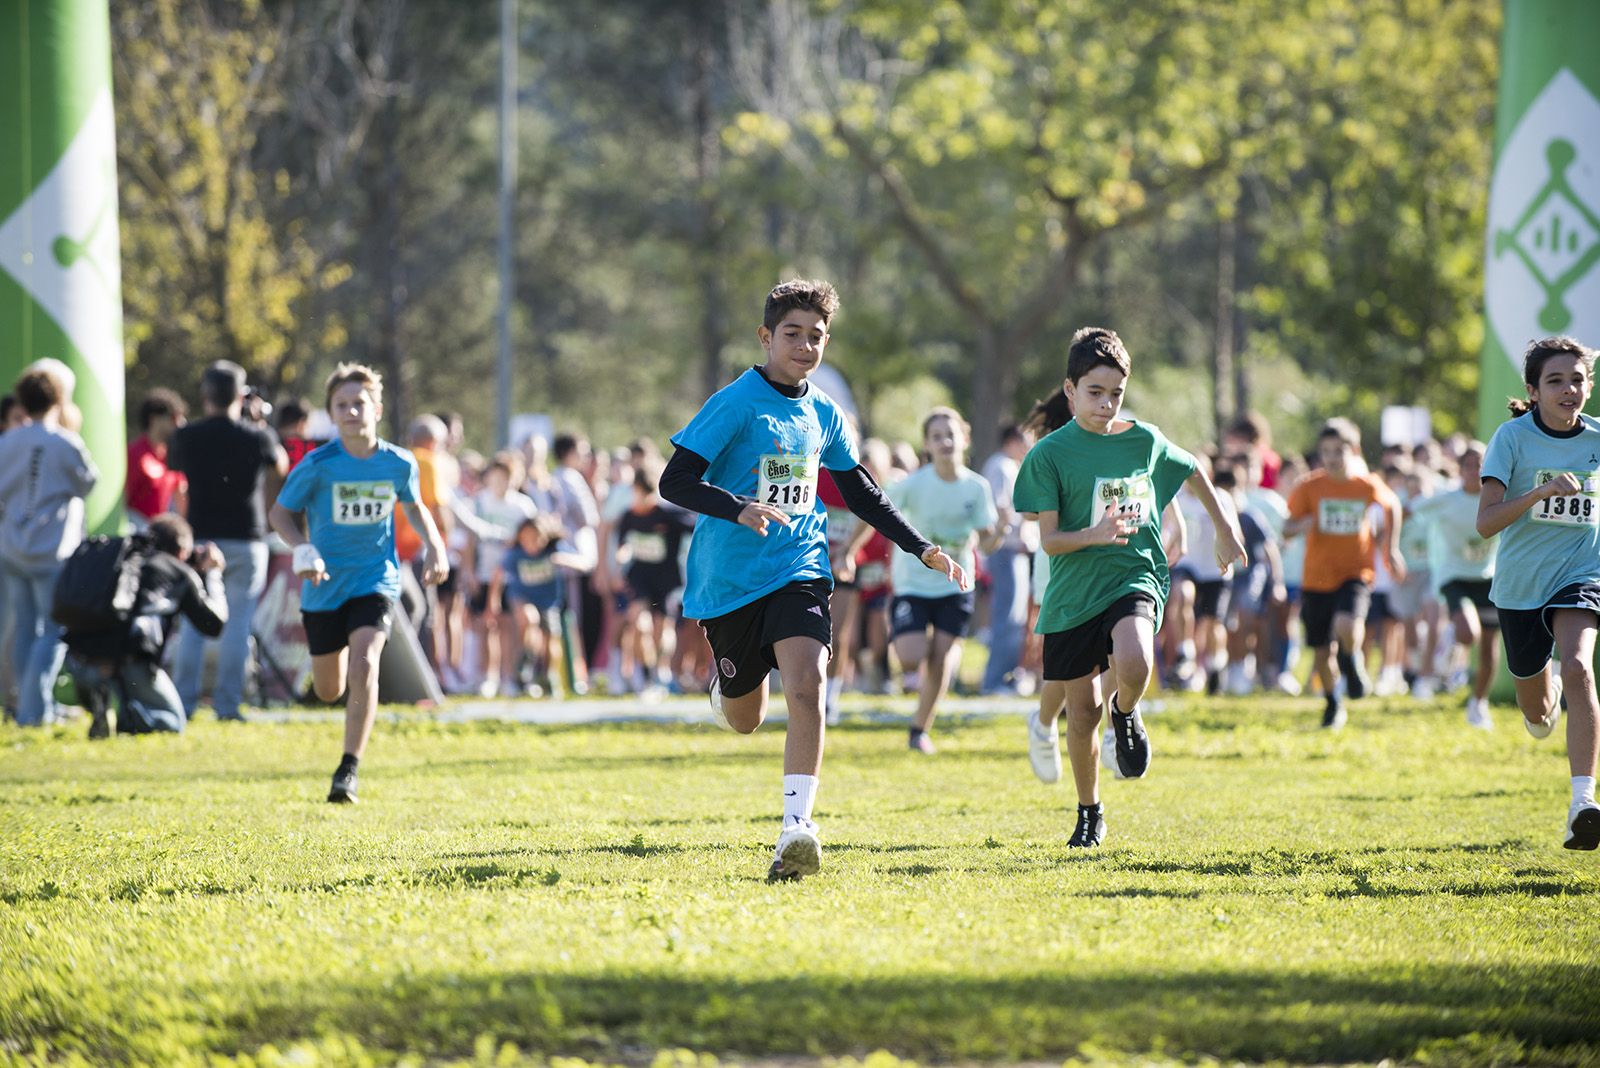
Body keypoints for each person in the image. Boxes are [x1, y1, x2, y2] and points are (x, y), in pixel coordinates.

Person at [659, 279, 965, 881]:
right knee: (747, 717)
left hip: (800, 566)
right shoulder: (735, 402)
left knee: (808, 684)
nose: (804, 346)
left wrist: (920, 546)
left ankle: (796, 828)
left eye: (816, 336)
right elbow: (676, 482)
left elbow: (861, 493)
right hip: (730, 580)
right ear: (766, 337)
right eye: (792, 334)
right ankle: (727, 691)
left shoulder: (825, 412)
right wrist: (739, 507)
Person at [1014, 327, 1244, 850]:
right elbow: (1048, 540)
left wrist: (1226, 528)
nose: (1106, 403)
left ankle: (1126, 713)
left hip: (1133, 573)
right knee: (1081, 714)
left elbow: (1194, 472)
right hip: (1073, 593)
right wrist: (1092, 534)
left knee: (1136, 658)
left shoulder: (1145, 439)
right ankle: (1090, 810)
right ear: (1069, 391)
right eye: (1095, 392)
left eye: (1116, 393)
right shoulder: (1049, 455)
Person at [269, 363, 448, 804]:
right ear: (331, 414)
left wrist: (435, 546)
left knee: (367, 663)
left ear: (377, 409)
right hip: (324, 584)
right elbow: (279, 514)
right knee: (330, 688)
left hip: (375, 579)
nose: (351, 412)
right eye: (342, 405)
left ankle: (348, 769)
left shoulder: (398, 462)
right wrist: (301, 548)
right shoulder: (317, 465)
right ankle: (335, 681)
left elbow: (415, 508)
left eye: (359, 404)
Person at [1476, 336, 1600, 849]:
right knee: (1537, 712)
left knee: (1578, 666)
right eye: (1556, 381)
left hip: (1582, 575)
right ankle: (1541, 702)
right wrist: (1542, 492)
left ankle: (1583, 803)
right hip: (1521, 586)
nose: (1569, 389)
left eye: (1578, 379)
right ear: (1533, 389)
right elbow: (1486, 524)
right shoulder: (1511, 439)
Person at [849, 406, 999, 753]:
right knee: (913, 657)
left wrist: (998, 532)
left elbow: (988, 541)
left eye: (951, 434)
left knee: (942, 658)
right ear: (926, 445)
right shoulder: (912, 485)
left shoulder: (977, 488)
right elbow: (874, 513)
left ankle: (920, 729)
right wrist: (847, 552)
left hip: (956, 584)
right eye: (936, 437)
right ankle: (934, 647)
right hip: (913, 583)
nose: (945, 441)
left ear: (964, 438)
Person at [169, 361, 289, 722]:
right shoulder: (257, 436)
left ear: (205, 396)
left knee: (193, 622)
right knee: (238, 625)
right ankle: (227, 704)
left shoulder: (187, 435)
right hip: (246, 538)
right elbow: (281, 466)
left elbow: (177, 476)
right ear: (240, 395)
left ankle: (182, 703)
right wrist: (259, 424)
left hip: (201, 537)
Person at [1284, 419, 1404, 729]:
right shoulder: (1310, 486)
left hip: (1356, 571)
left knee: (1347, 624)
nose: (1332, 457)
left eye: (1339, 450)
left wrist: (1390, 549)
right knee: (1322, 651)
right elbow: (1286, 529)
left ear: (1353, 451)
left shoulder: (1365, 484)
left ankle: (1352, 661)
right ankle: (1333, 702)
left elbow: (1393, 507)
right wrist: (1303, 525)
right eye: (1326, 451)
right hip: (1315, 578)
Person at [63, 514, 227, 737]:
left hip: (79, 659)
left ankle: (107, 704)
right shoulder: (177, 572)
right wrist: (213, 574)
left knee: (112, 680)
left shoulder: (122, 557)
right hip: (127, 664)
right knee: (172, 722)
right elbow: (214, 624)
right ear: (181, 550)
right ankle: (123, 715)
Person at [0, 370, 99, 726]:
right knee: (54, 630)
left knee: (24, 629)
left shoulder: (8, 441)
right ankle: (34, 709)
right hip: (52, 548)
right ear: (59, 400)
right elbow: (87, 483)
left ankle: (24, 706)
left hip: (12, 546)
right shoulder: (64, 442)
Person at [1411, 441, 1499, 727]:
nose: (1475, 471)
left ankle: (1478, 703)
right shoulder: (1446, 498)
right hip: (1454, 577)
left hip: (1487, 577)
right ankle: (1448, 646)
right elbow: (1410, 508)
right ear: (1459, 470)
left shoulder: (1499, 497)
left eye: (1481, 464)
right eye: (1469, 465)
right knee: (1467, 633)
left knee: (1488, 647)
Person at [616, 461, 694, 697]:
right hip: (640, 578)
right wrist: (620, 560)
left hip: (666, 581)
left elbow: (697, 525)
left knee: (663, 629)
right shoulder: (628, 517)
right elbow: (623, 545)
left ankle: (663, 673)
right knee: (639, 625)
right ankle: (649, 675)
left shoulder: (668, 516)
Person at [491, 515, 588, 696]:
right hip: (522, 597)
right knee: (529, 619)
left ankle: (550, 676)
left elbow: (585, 564)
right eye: (526, 538)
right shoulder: (515, 554)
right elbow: (498, 574)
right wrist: (493, 602)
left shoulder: (554, 550)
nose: (531, 544)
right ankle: (523, 668)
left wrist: (564, 559)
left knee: (551, 637)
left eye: (535, 539)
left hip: (549, 601)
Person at [980, 424, 1035, 696]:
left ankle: (1006, 676)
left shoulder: (1011, 466)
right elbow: (1003, 509)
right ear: (1012, 440)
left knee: (1017, 617)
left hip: (1017, 552)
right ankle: (994, 681)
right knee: (1007, 616)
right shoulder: (1000, 466)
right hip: (1006, 549)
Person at [125, 388, 188, 528]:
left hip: (160, 537)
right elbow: (123, 501)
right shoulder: (134, 454)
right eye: (173, 418)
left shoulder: (173, 457)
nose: (180, 424)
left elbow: (181, 499)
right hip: (137, 536)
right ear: (154, 419)